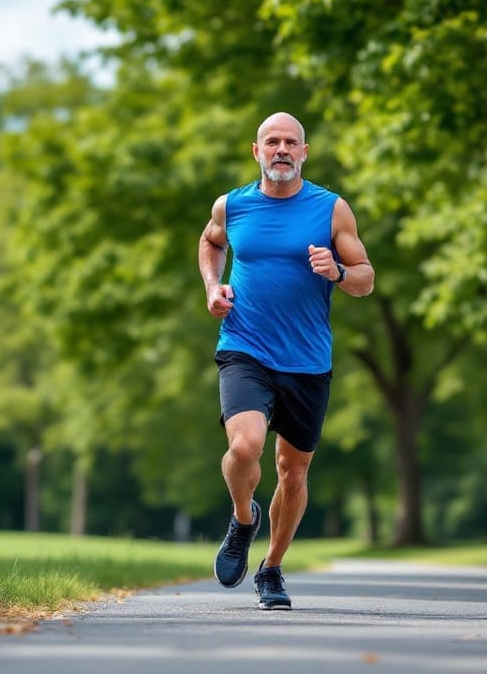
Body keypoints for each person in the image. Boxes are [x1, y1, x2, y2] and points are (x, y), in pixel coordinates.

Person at [198, 111, 375, 610]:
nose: (281, 149)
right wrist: (214, 288)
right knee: (245, 445)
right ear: (256, 151)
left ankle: (271, 568)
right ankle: (243, 519)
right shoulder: (231, 206)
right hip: (245, 346)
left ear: (303, 152)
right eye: (271, 141)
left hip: (307, 361)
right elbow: (210, 243)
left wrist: (338, 270)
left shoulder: (331, 209)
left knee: (293, 472)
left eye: (290, 142)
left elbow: (366, 278)